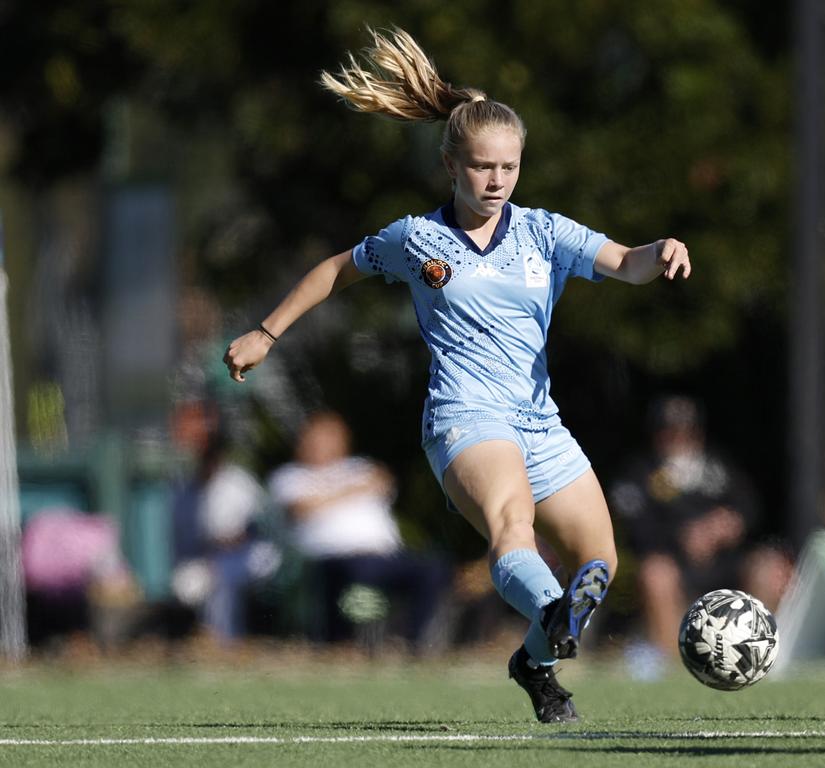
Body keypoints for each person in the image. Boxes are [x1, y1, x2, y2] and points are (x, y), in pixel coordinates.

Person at [223, 26, 691, 723]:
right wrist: (267, 332)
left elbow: (626, 262)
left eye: (508, 166)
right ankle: (549, 612)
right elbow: (336, 271)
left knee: (600, 562)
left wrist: (665, 248)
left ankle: (534, 662)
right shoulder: (418, 240)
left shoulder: (544, 232)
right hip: (466, 419)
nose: (496, 180)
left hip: (540, 421)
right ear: (450, 165)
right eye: (480, 167)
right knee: (513, 525)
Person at [609, 395, 790, 676]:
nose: (679, 439)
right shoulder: (639, 473)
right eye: (670, 432)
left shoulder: (720, 466)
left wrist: (729, 523)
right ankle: (679, 667)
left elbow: (750, 507)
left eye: (686, 431)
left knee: (771, 567)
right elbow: (636, 528)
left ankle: (763, 656)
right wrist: (683, 536)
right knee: (656, 573)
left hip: (726, 564)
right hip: (676, 566)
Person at [268, 410, 449, 651]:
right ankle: (344, 644)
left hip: (385, 554)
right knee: (358, 572)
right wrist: (351, 491)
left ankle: (413, 642)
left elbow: (382, 481)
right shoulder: (290, 477)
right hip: (333, 557)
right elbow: (300, 508)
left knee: (433, 567)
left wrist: (331, 495)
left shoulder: (358, 466)